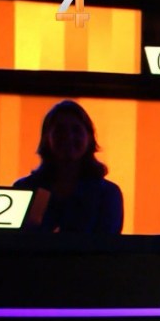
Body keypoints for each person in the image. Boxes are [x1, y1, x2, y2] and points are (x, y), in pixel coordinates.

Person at [13, 100, 124, 234]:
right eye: (60, 130)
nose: (68, 137)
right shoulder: (25, 189)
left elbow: (107, 243)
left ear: (89, 137)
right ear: (46, 138)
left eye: (76, 130)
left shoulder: (107, 194)